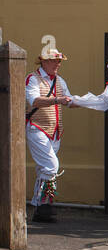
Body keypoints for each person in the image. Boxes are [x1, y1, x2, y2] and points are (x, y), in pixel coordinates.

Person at [24, 45, 74, 223]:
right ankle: (44, 204)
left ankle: (40, 207)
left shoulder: (60, 81)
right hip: (37, 127)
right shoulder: (33, 79)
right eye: (54, 61)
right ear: (44, 61)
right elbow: (34, 100)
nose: (58, 64)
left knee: (44, 169)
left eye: (59, 61)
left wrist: (93, 101)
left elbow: (69, 100)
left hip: (54, 131)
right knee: (51, 165)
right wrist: (57, 100)